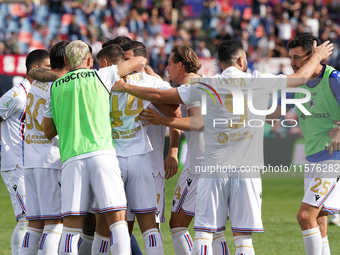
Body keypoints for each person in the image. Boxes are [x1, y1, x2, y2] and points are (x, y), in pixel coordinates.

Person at [111, 39, 333, 255]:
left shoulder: (206, 83)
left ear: (221, 62)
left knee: (205, 233)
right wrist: (317, 57)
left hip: (213, 170)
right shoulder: (257, 80)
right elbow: (300, 77)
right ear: (242, 61)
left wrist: (125, 86)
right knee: (243, 239)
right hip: (247, 172)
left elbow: (160, 95)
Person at [43, 40, 146, 255]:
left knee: (70, 228)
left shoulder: (55, 87)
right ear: (90, 60)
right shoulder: (101, 75)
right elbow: (140, 59)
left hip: (71, 158)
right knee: (118, 221)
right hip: (102, 154)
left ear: (65, 61)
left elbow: (48, 131)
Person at [140, 45, 229, 255]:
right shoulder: (204, 82)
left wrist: (161, 119)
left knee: (178, 224)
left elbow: (198, 122)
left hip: (199, 164)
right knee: (215, 228)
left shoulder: (191, 85)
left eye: (169, 64)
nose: (166, 68)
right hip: (221, 159)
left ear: (180, 65)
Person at [95, 42, 179, 255]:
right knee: (150, 225)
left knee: (108, 226)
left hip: (110, 157)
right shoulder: (147, 80)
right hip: (140, 156)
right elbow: (175, 109)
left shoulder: (97, 81)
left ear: (105, 63)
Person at [267, 34, 340, 255]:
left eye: (297, 58)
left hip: (334, 158)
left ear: (314, 55)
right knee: (318, 222)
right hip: (313, 157)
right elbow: (272, 117)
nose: (292, 63)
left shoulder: (334, 79)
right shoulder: (297, 85)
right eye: (291, 57)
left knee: (305, 216)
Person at [19, 41, 69, 255]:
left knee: (35, 223)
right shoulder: (57, 84)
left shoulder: (36, 83)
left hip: (31, 160)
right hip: (50, 159)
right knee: (55, 222)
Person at [0, 49, 50, 255]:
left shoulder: (39, 92)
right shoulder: (16, 95)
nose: (51, 72)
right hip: (16, 164)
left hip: (32, 162)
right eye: (47, 68)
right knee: (26, 217)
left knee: (38, 217)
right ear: (35, 69)